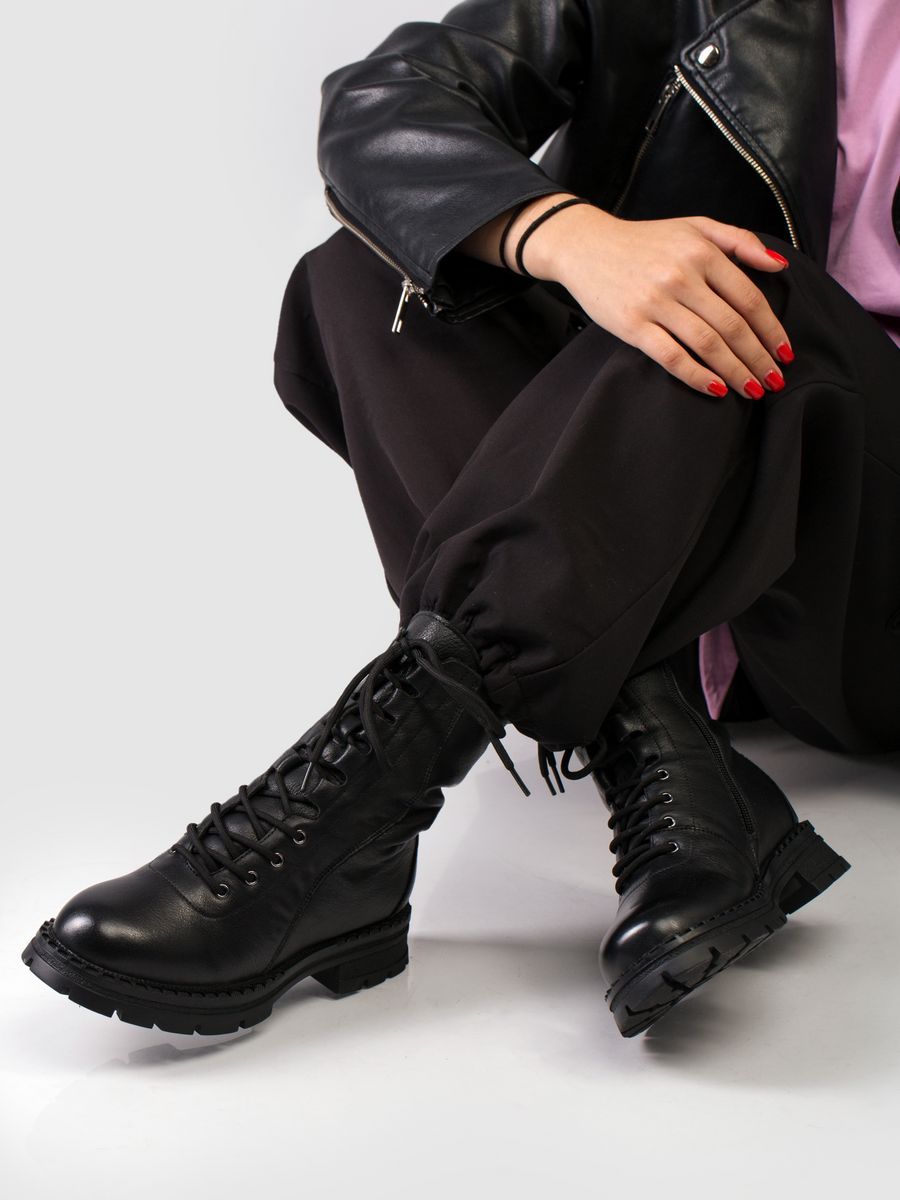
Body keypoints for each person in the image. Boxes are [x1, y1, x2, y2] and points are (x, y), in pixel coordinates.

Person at [23, 0, 899, 1039]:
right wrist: (569, 237)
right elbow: (387, 101)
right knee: (368, 273)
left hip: (863, 586)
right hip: (655, 525)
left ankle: (344, 813)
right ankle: (663, 747)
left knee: (755, 289)